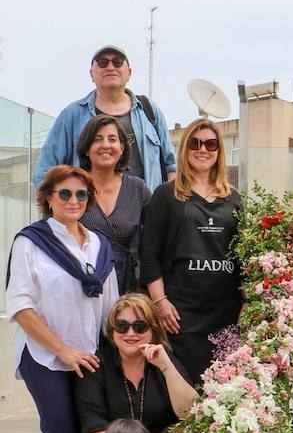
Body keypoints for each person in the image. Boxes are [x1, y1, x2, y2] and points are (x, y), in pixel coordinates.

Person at [6, 166, 119, 433]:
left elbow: (111, 308)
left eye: (81, 195)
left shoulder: (100, 247)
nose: (73, 201)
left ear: (89, 200)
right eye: (64, 194)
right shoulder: (30, 242)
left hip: (89, 355)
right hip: (45, 355)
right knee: (61, 432)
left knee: (92, 432)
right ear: (49, 198)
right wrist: (63, 350)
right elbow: (20, 307)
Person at [140, 118, 242, 386]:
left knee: (222, 389)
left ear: (219, 151)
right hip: (181, 313)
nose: (203, 150)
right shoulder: (165, 195)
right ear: (185, 149)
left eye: (210, 144)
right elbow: (149, 252)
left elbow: (244, 256)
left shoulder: (234, 198)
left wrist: (245, 304)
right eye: (195, 143)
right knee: (184, 386)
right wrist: (160, 302)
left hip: (225, 312)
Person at [75, 294, 197, 433]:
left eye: (140, 326)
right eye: (122, 326)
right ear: (112, 331)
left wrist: (165, 366)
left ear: (153, 330)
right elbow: (96, 429)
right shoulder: (97, 367)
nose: (130, 333)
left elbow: (191, 413)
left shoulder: (164, 360)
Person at [33, 44, 175, 190]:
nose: (110, 67)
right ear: (91, 74)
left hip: (147, 210)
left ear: (129, 73)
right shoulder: (72, 115)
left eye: (117, 62)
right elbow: (44, 172)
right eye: (102, 62)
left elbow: (172, 166)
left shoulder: (149, 111)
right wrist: (62, 205)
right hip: (89, 210)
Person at [77, 115, 152, 292]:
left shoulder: (137, 188)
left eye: (112, 139)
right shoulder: (73, 185)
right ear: (86, 148)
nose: (106, 145)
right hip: (80, 284)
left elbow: (155, 241)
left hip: (125, 288)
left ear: (122, 148)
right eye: (97, 139)